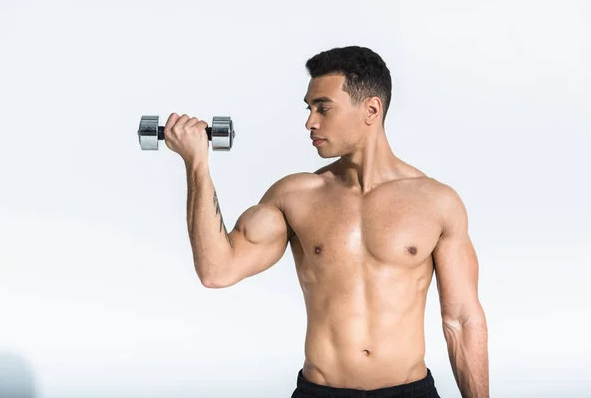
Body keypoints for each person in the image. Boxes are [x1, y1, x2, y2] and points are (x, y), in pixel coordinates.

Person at [163, 46, 489, 398]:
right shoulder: (297, 196)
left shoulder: (436, 202)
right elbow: (216, 271)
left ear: (371, 110)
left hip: (410, 391)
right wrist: (197, 163)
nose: (310, 122)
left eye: (323, 107)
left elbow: (461, 320)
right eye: (309, 108)